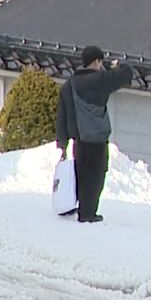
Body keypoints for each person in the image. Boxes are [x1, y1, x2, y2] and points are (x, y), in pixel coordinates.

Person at [55, 45, 133, 223]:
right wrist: (117, 66)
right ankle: (88, 213)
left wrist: (62, 142)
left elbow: (62, 115)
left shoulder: (69, 85)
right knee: (96, 175)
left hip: (79, 140)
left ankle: (80, 207)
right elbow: (127, 73)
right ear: (97, 61)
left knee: (81, 174)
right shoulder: (101, 80)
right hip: (97, 138)